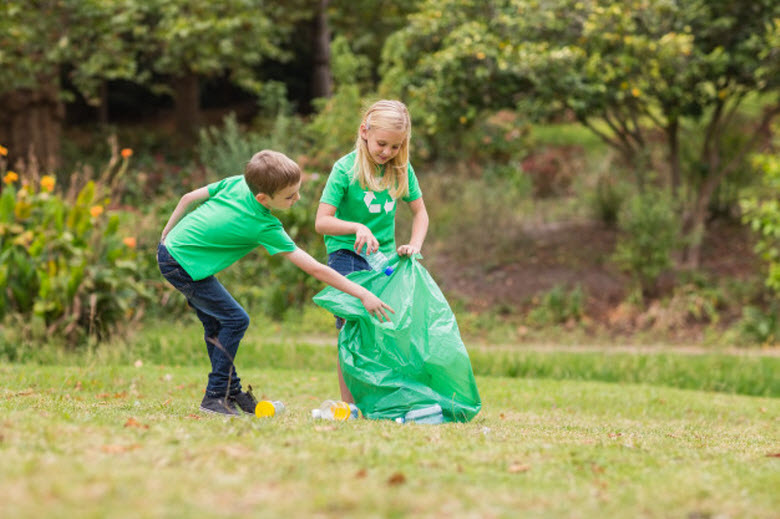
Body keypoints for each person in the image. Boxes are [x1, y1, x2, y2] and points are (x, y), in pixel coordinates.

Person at [157, 150, 393, 416]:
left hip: (175, 253)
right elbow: (315, 269)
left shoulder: (239, 183)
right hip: (180, 264)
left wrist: (167, 232)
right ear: (263, 198)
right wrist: (362, 293)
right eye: (289, 196)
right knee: (236, 320)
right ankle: (214, 397)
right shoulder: (264, 225)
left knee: (218, 323)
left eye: (297, 191)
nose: (297, 199)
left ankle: (229, 392)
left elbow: (188, 198)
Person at [315, 99, 429, 403]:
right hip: (346, 255)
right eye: (382, 144)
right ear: (364, 131)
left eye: (395, 146)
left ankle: (379, 399)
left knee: (384, 329)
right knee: (351, 325)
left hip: (385, 260)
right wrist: (356, 227)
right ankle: (348, 405)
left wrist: (413, 246)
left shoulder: (401, 170)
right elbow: (322, 222)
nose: (387, 152)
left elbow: (420, 214)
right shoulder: (344, 169)